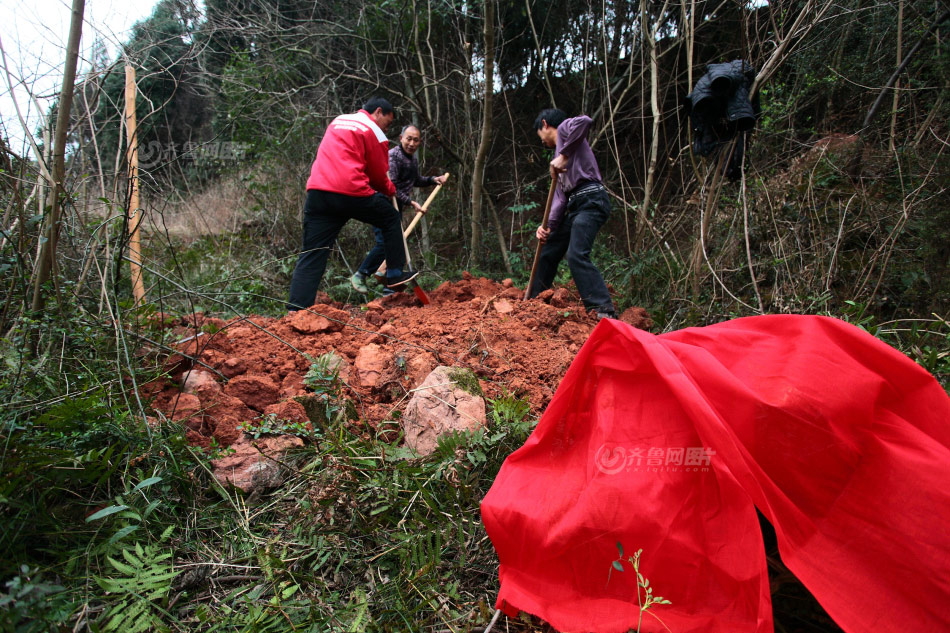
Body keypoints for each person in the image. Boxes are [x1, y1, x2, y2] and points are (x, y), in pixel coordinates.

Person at [286, 97, 418, 311]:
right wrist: (391, 189)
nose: (387, 126)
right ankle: (394, 274)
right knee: (390, 217)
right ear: (378, 112)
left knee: (313, 252)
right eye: (389, 121)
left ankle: (296, 309)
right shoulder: (374, 131)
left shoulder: (338, 121)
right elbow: (377, 175)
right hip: (351, 191)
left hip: (318, 192)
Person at [529, 108, 617, 319]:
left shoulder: (566, 129)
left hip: (592, 201)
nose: (541, 141)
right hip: (575, 207)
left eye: (539, 135)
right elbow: (560, 198)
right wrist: (547, 226)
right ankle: (534, 301)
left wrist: (564, 155)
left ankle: (602, 309)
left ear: (545, 124)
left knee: (576, 254)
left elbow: (586, 121)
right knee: (549, 249)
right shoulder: (556, 161)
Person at [350, 124, 447, 294]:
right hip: (382, 202)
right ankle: (361, 274)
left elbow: (415, 180)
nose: (411, 143)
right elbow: (391, 186)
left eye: (415, 140)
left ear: (420, 142)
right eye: (408, 138)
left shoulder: (412, 159)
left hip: (396, 206)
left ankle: (390, 288)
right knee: (385, 243)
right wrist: (411, 202)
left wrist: (433, 179)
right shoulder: (393, 156)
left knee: (396, 245)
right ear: (401, 138)